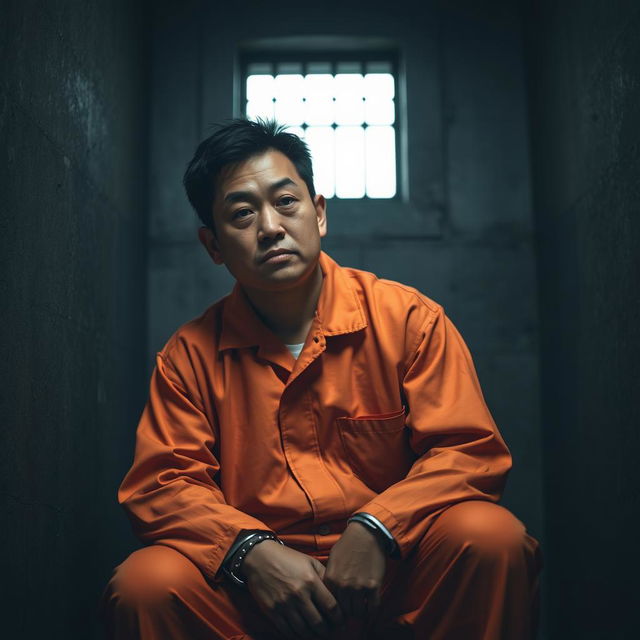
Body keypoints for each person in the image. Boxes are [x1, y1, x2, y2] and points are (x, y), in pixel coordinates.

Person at [98, 118, 543, 640]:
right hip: (259, 593)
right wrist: (248, 550)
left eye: (286, 201)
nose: (270, 227)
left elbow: (468, 451)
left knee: (490, 538)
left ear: (320, 212)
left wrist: (379, 528)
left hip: (396, 574)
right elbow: (163, 486)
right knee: (147, 583)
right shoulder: (188, 358)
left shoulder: (407, 320)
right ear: (213, 245)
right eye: (242, 213)